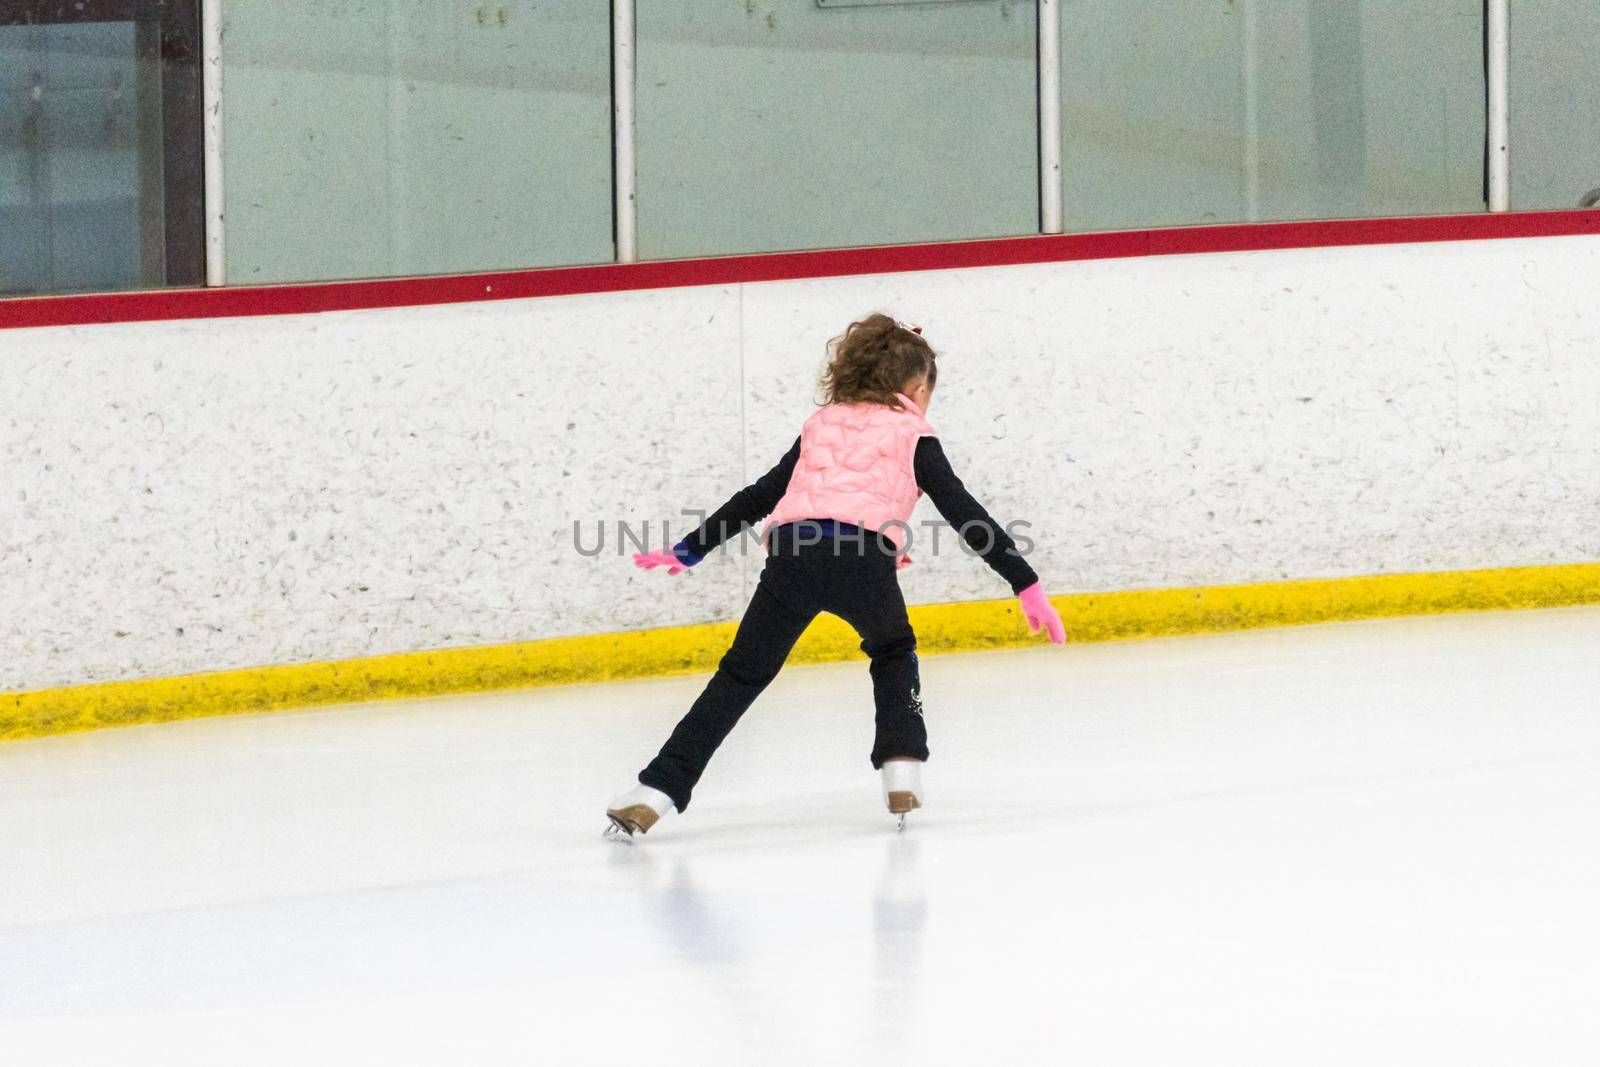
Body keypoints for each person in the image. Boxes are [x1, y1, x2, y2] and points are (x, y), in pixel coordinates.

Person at [604, 313, 1065, 840]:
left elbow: (759, 497)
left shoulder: (820, 426)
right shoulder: (914, 433)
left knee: (738, 677)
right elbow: (965, 513)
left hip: (791, 557)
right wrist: (1024, 582)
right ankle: (902, 765)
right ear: (916, 389)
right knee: (893, 650)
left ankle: (654, 792)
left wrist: (691, 549)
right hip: (863, 564)